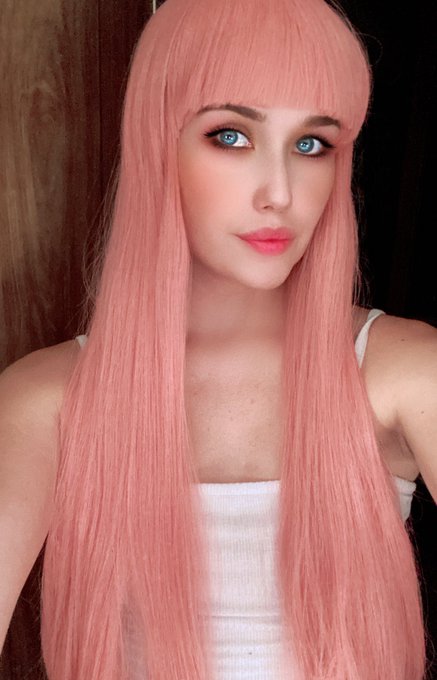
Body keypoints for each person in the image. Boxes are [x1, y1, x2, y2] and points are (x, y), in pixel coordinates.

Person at [0, 0, 436, 677]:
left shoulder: (404, 373)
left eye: (311, 144)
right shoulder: (46, 401)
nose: (279, 192)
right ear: (157, 143)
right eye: (230, 135)